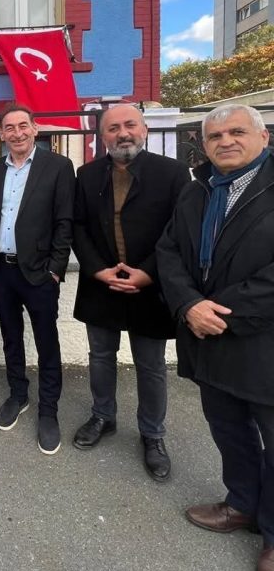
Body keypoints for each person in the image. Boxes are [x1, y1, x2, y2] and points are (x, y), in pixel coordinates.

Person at [157, 104, 274, 571]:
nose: (225, 141)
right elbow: (168, 251)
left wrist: (216, 311)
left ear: (263, 136)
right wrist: (188, 304)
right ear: (203, 145)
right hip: (207, 340)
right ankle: (242, 504)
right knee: (228, 428)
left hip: (262, 340)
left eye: (237, 132)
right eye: (215, 136)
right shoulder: (198, 189)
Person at [72, 104, 190, 480]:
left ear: (144, 129)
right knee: (100, 356)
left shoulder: (173, 173)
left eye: (129, 125)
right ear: (102, 135)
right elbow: (78, 227)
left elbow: (179, 229)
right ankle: (102, 416)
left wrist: (148, 273)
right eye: (113, 128)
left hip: (150, 285)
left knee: (151, 365)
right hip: (101, 282)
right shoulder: (87, 174)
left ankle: (152, 434)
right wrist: (97, 269)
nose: (122, 133)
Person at [0, 104, 74, 455]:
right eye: (9, 127)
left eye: (22, 126)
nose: (16, 133)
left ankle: (49, 410)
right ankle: (19, 395)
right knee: (10, 338)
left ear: (34, 128)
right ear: (1, 134)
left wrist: (55, 269)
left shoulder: (58, 166)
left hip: (39, 272)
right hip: (1, 270)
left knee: (47, 342)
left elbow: (65, 221)